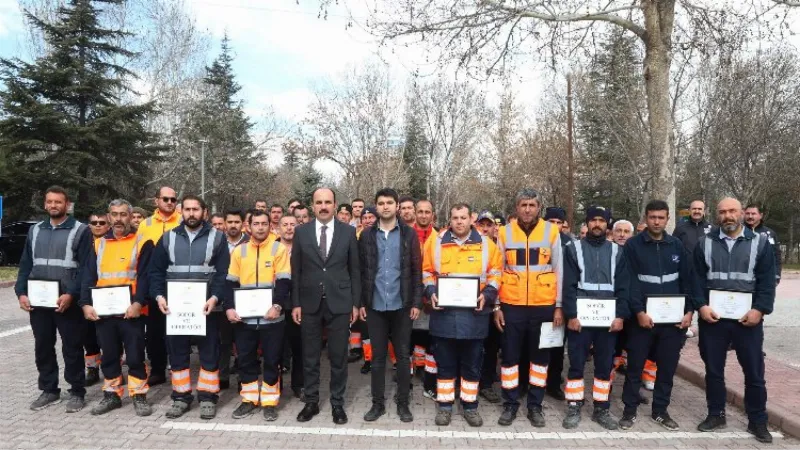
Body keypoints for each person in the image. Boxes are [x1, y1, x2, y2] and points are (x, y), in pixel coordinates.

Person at [693, 198, 776, 444]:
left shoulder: (761, 244)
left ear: (741, 213)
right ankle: (716, 414)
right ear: (716, 215)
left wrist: (759, 310)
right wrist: (701, 306)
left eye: (732, 211)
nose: (728, 215)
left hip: (746, 320)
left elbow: (767, 282)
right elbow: (695, 280)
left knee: (754, 372)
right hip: (713, 319)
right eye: (722, 212)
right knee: (714, 371)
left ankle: (757, 420)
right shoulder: (704, 243)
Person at [149, 195, 230, 420]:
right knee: (178, 354)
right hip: (175, 309)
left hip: (207, 309)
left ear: (204, 212)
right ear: (180, 211)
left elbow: (224, 273)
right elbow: (155, 272)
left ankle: (207, 397)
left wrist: (215, 297)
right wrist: (158, 297)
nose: (191, 213)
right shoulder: (167, 238)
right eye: (187, 209)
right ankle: (181, 397)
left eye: (196, 209)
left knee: (209, 353)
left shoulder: (218, 238)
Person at [619, 200, 697, 431]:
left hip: (672, 324)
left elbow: (688, 280)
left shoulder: (677, 246)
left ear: (667, 218)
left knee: (666, 369)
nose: (656, 221)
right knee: (634, 368)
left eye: (661, 217)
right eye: (652, 217)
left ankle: (660, 411)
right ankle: (629, 411)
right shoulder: (633, 246)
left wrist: (689, 312)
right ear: (646, 217)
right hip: (641, 321)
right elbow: (629, 282)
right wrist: (639, 312)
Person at [422, 203, 502, 427]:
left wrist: (487, 294)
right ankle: (445, 406)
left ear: (471, 220)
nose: (459, 221)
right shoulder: (436, 243)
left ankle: (470, 406)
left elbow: (496, 273)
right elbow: (426, 271)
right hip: (444, 314)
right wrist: (431, 292)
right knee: (445, 364)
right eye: (455, 217)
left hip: (474, 316)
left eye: (463, 217)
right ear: (450, 219)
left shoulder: (487, 245)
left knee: (472, 364)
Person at [15, 186, 93, 413]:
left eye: (58, 202)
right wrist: (21, 292)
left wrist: (72, 294)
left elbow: (87, 269)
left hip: (67, 301)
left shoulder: (81, 230)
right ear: (44, 204)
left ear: (67, 204)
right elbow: (26, 264)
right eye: (49, 202)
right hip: (39, 303)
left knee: (72, 347)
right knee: (43, 346)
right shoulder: (36, 230)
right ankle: (49, 389)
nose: (53, 206)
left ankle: (77, 391)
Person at [494, 188, 564, 427]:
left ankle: (535, 406)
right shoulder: (504, 233)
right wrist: (496, 306)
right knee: (510, 359)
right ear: (517, 207)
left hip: (543, 305)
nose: (527, 209)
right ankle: (510, 405)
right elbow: (497, 270)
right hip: (511, 305)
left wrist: (559, 306)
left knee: (540, 360)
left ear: (538, 208)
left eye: (532, 205)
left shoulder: (551, 231)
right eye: (523, 204)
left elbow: (559, 270)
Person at [291, 187, 361, 425]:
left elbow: (355, 270)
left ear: (335, 204)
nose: (323, 206)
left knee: (339, 356)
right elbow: (296, 271)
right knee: (310, 355)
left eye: (328, 202)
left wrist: (354, 303)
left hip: (340, 301)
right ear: (312, 205)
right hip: (309, 302)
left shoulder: (348, 233)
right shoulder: (301, 233)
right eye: (319, 202)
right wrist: (296, 303)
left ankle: (337, 404)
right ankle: (311, 401)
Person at [79, 199, 152, 416]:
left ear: (131, 216)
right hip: (104, 312)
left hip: (132, 312)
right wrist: (84, 304)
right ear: (109, 217)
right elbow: (88, 276)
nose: (118, 218)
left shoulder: (143, 241)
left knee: (135, 355)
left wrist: (139, 303)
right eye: (114, 214)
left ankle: (139, 395)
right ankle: (112, 395)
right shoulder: (99, 244)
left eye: (123, 214)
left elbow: (146, 277)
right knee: (109, 354)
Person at [561, 206, 630, 430]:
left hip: (607, 321)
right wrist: (570, 314)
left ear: (607, 224)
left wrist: (620, 316)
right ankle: (574, 404)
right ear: (588, 223)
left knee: (604, 365)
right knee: (576, 364)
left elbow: (623, 287)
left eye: (602, 220)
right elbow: (568, 285)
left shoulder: (618, 252)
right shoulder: (573, 249)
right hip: (580, 318)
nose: (597, 224)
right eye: (593, 220)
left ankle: (601, 407)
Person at [358, 188, 422, 423]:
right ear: (376, 206)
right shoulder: (366, 235)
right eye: (381, 203)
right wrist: (362, 302)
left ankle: (403, 403)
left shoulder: (409, 234)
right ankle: (378, 404)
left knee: (403, 356)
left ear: (397, 206)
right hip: (375, 305)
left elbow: (416, 270)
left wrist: (416, 301)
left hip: (402, 305)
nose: (385, 206)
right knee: (377, 357)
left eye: (389, 203)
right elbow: (362, 272)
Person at [225, 210, 291, 421]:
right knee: (245, 359)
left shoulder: (277, 248)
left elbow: (283, 281)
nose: (261, 227)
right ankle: (249, 399)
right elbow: (230, 282)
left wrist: (278, 306)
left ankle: (270, 401)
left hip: (272, 317)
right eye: (256, 224)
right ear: (248, 227)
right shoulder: (239, 251)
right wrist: (229, 307)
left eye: (264, 223)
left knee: (272, 360)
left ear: (269, 226)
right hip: (244, 319)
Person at [137, 186, 182, 387]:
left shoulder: (183, 221)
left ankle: (177, 368)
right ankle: (157, 369)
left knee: (175, 328)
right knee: (154, 330)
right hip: (153, 283)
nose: (170, 203)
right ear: (157, 201)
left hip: (177, 283)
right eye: (165, 199)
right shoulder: (145, 224)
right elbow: (137, 255)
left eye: (173, 199)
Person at [542, 206, 574, 402]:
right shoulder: (537, 240)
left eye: (558, 222)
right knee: (536, 345)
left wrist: (562, 304)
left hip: (561, 302)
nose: (555, 226)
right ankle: (531, 381)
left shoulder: (570, 245)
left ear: (564, 225)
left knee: (557, 346)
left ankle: (553, 383)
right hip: (539, 300)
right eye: (551, 222)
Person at [277, 214, 304, 398]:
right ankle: (275, 385)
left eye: (292, 224)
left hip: (299, 305)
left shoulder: (305, 248)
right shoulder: (271, 248)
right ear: (278, 227)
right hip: (276, 304)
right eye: (285, 224)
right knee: (276, 348)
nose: (288, 228)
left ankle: (299, 385)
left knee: (299, 348)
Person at [84, 211, 108, 384]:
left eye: (101, 222)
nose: (98, 225)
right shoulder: (83, 244)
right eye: (94, 222)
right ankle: (92, 369)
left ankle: (111, 368)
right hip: (87, 295)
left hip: (108, 296)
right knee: (88, 336)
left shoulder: (112, 242)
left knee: (108, 337)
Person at [744, 204, 782, 285]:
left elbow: (776, 255)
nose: (750, 216)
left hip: (764, 278)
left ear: (760, 215)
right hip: (742, 279)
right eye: (747, 213)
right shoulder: (738, 232)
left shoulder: (770, 233)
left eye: (753, 214)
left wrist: (777, 275)